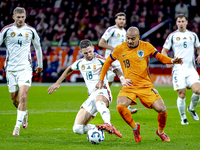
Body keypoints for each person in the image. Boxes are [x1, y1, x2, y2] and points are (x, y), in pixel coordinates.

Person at [96, 27, 183, 142]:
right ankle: (135, 128)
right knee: (120, 106)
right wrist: (101, 79)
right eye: (128, 38)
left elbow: (160, 57)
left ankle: (160, 132)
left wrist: (171, 61)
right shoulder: (120, 48)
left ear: (138, 37)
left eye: (132, 39)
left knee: (162, 109)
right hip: (129, 86)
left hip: (145, 85)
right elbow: (107, 62)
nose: (130, 41)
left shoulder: (146, 46)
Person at [47, 39, 130, 138]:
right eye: (86, 53)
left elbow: (116, 69)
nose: (89, 54)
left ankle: (108, 123)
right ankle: (99, 129)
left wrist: (122, 79)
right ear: (81, 52)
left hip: (102, 91)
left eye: (90, 51)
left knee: (99, 102)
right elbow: (69, 69)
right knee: (77, 129)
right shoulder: (80, 62)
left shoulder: (101, 60)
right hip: (91, 96)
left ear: (93, 48)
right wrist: (58, 82)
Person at [0, 7, 43, 136]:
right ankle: (24, 114)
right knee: (15, 100)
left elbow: (37, 46)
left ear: (25, 17)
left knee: (23, 96)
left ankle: (16, 128)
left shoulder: (31, 31)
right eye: (18, 17)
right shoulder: (6, 30)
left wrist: (40, 64)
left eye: (22, 17)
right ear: (13, 17)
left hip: (25, 68)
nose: (20, 19)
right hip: (11, 69)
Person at [161, 14, 200, 125]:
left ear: (186, 22)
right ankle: (183, 117)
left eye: (183, 21)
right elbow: (164, 51)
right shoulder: (172, 36)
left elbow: (199, 47)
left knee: (198, 91)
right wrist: (168, 61)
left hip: (191, 69)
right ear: (176, 23)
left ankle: (191, 109)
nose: (181, 23)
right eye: (179, 21)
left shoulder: (193, 35)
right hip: (178, 70)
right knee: (181, 94)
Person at [98, 12, 137, 114]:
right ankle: (99, 101)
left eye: (123, 19)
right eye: (119, 19)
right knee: (107, 84)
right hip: (111, 61)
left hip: (122, 62)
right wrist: (114, 49)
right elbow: (101, 43)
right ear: (115, 20)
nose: (121, 21)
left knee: (128, 82)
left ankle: (127, 105)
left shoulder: (125, 32)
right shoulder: (112, 30)